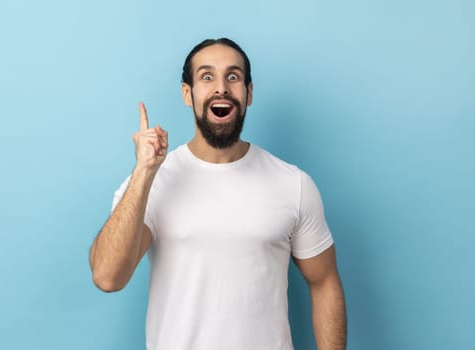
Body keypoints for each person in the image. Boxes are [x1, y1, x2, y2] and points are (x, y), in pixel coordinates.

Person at [89, 38, 347, 350]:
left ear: (248, 93)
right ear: (189, 94)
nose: (221, 88)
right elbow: (107, 277)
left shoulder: (293, 184)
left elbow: (324, 282)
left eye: (233, 77)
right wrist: (144, 172)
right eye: (207, 77)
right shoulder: (154, 181)